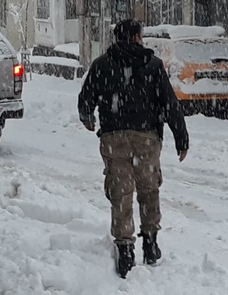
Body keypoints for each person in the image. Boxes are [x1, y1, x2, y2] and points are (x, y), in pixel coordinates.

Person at [77, 19, 189, 278]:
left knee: (121, 193)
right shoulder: (152, 65)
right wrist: (181, 138)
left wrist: (88, 117)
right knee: (149, 190)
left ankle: (125, 249)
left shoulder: (102, 65)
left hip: (114, 137)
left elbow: (86, 98)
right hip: (146, 137)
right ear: (138, 37)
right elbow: (170, 104)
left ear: (117, 38)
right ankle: (150, 243)